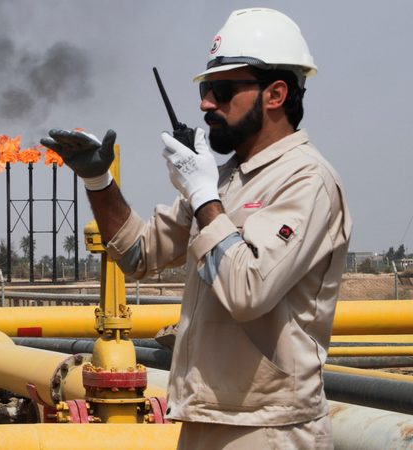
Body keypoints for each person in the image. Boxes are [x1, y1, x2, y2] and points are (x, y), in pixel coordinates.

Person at [41, 8, 351, 450]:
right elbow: (137, 254)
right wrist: (99, 181)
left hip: (269, 427)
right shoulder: (224, 179)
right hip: (203, 415)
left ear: (276, 94)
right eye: (206, 90)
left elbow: (249, 292)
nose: (207, 104)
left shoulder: (306, 180)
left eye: (222, 91)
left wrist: (203, 195)